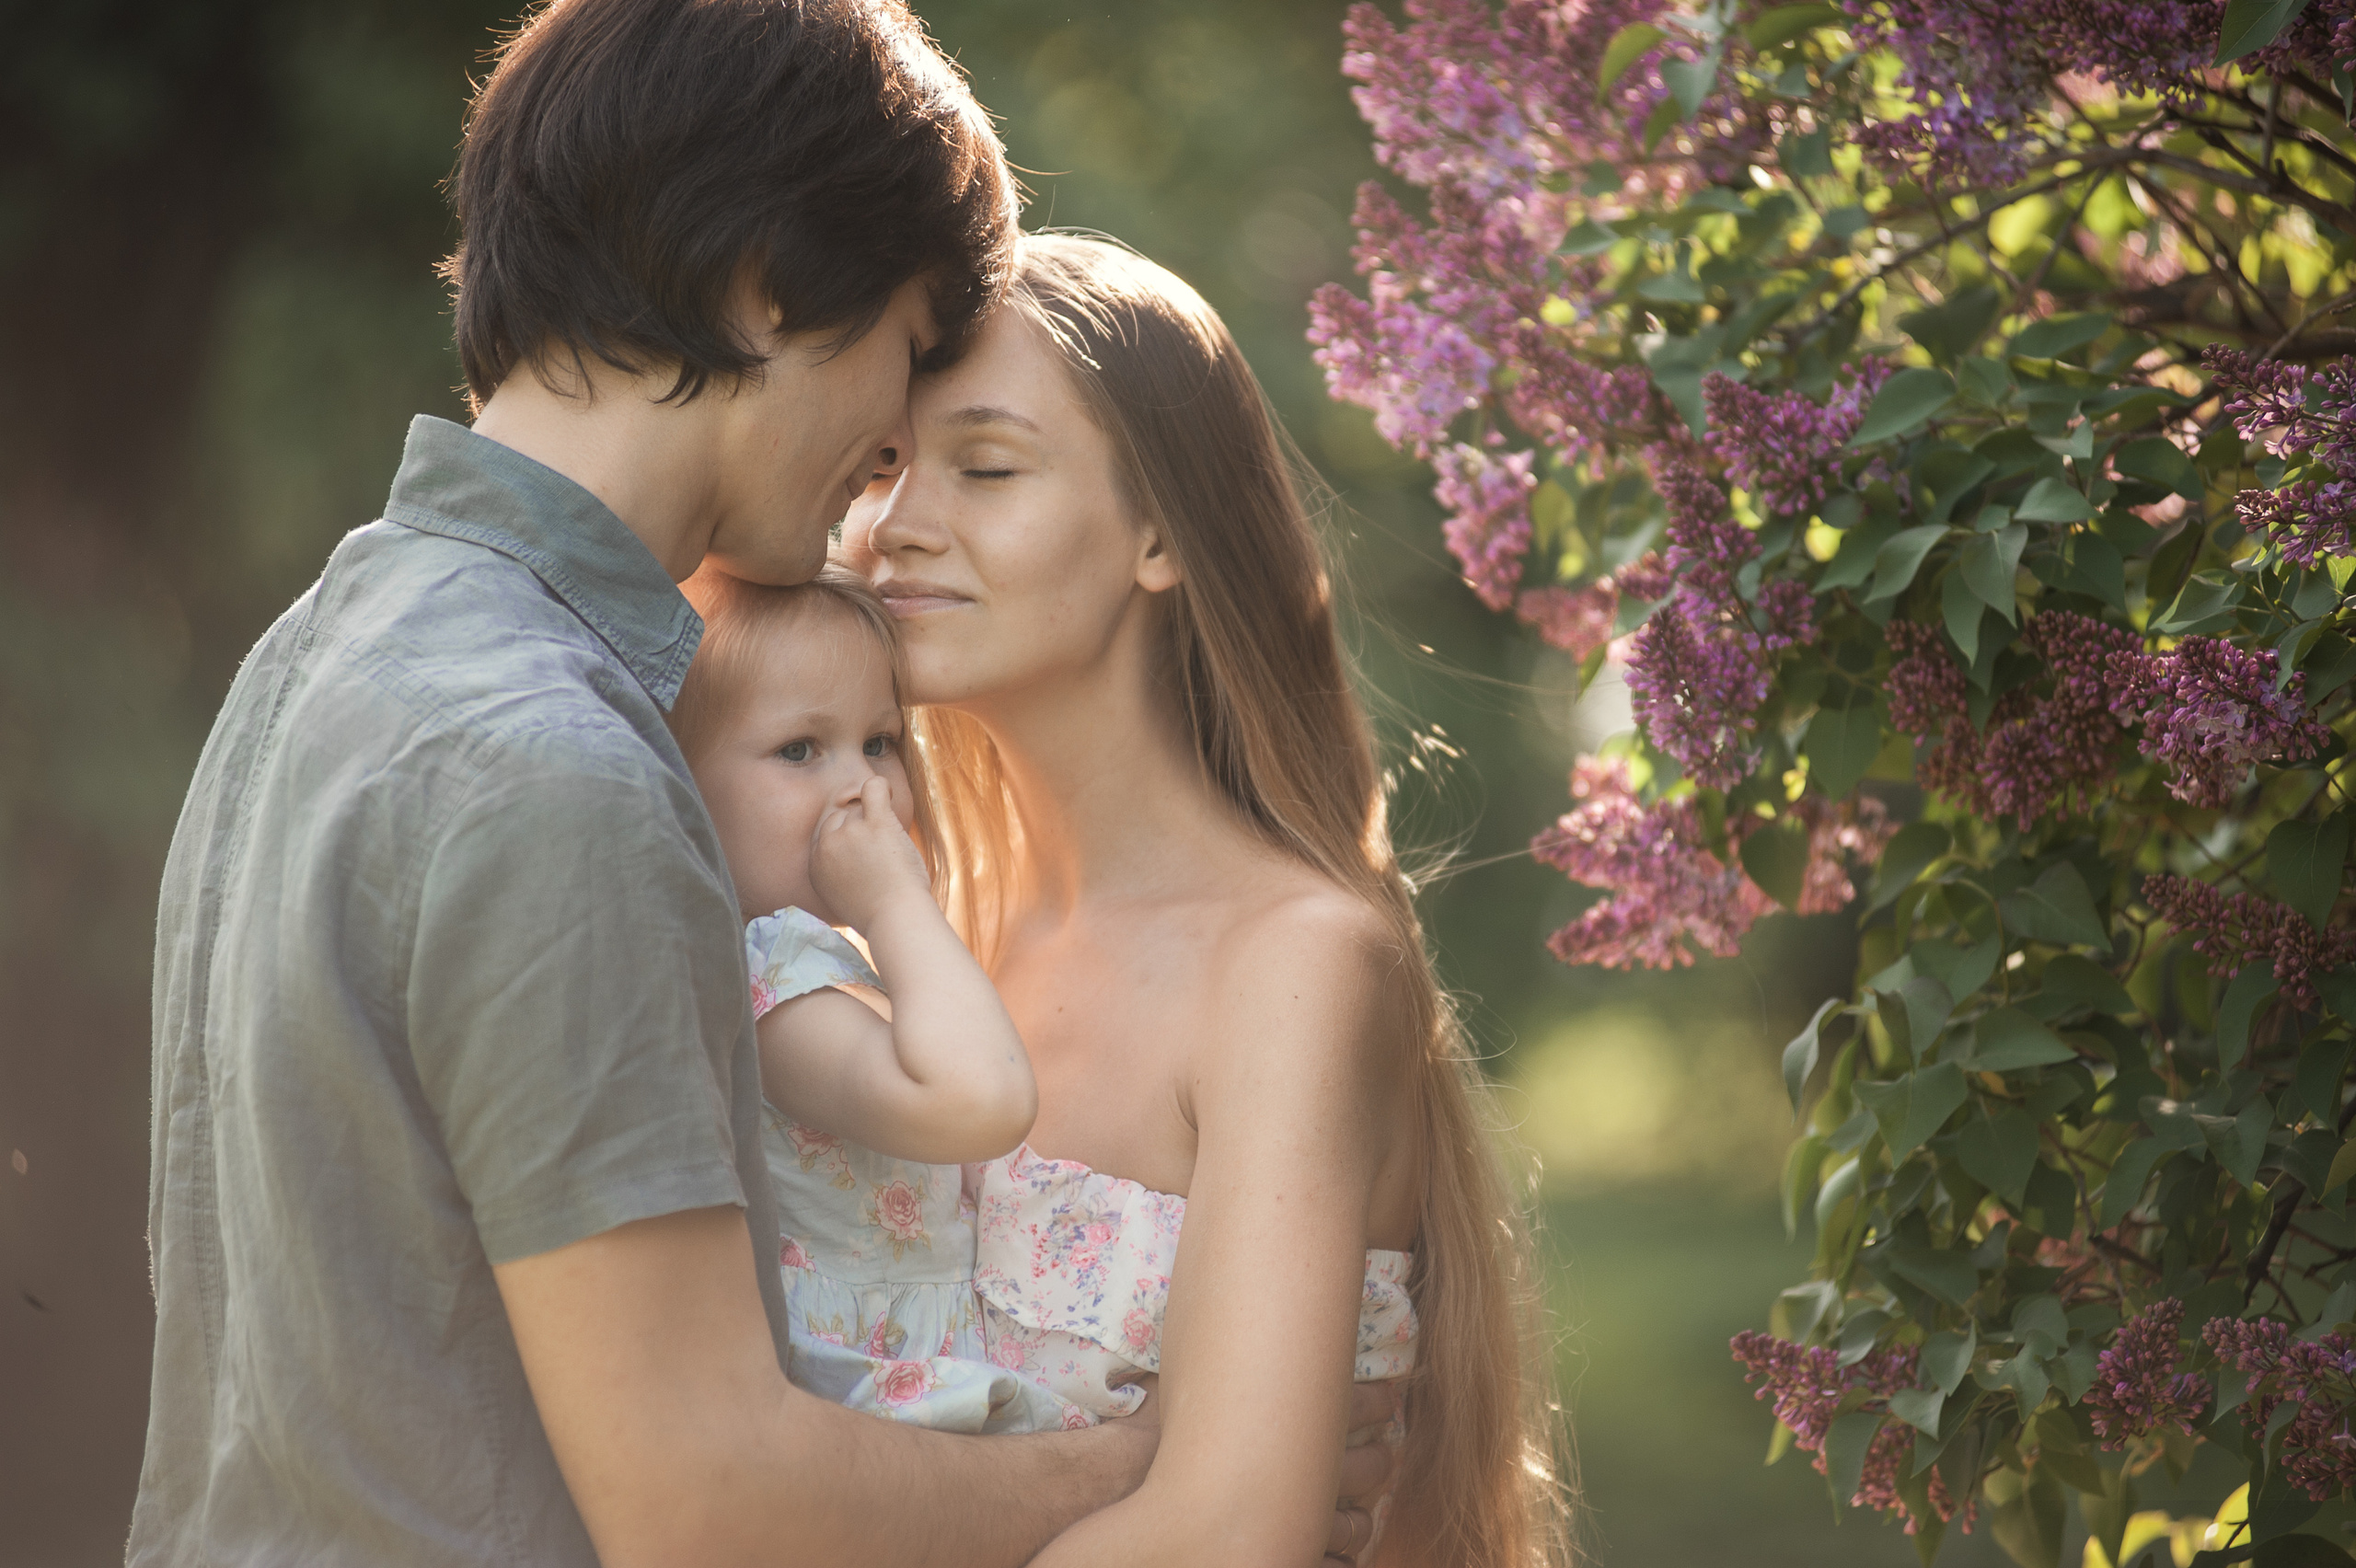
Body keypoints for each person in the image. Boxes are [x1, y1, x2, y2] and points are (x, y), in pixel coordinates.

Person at [135, 2, 1396, 1562]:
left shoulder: (315, 656)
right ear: (766, 284)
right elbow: (708, 1499)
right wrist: (1137, 1463)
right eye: (905, 345)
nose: (890, 450)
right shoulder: (558, 764)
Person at [843, 233, 1576, 1566]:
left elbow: (1227, 1537)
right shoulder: (912, 933)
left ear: (1163, 536)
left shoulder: (1293, 967)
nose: (895, 523)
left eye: (985, 467)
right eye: (881, 465)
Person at [667, 563, 1066, 1434]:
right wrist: (896, 904)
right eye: (800, 750)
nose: (864, 789)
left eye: (880, 742)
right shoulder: (764, 985)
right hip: (876, 1390)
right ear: (681, 786)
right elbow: (982, 1102)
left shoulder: (816, 964)